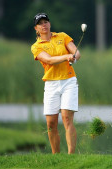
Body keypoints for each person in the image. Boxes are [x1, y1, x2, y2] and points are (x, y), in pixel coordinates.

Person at [31, 13, 80, 154]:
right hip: (51, 84)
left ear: (50, 24)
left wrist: (74, 58)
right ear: (36, 28)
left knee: (66, 118)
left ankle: (71, 156)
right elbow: (49, 60)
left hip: (68, 81)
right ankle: (56, 156)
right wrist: (66, 56)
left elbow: (77, 53)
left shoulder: (62, 36)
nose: (44, 25)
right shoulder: (36, 46)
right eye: (40, 23)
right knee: (51, 123)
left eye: (46, 22)